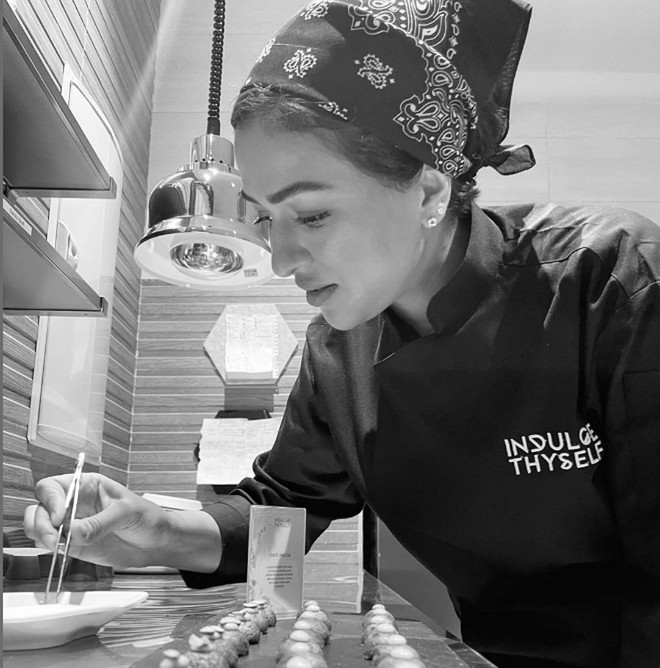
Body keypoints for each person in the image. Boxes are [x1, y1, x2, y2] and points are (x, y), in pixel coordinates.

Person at [24, 1, 660, 666]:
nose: (280, 260)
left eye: (313, 214)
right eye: (266, 218)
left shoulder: (612, 281)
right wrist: (156, 531)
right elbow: (283, 511)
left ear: (430, 192)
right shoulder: (337, 351)